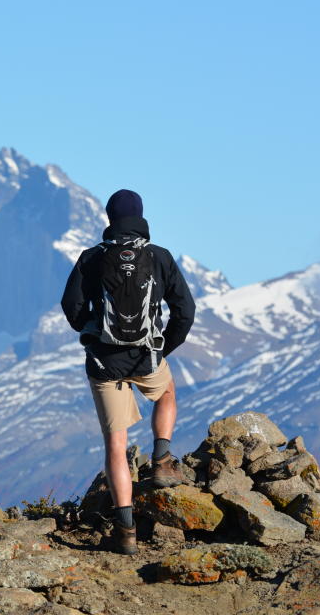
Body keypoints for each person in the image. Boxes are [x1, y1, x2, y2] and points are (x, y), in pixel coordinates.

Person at [60, 189, 196, 554]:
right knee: (166, 393)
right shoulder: (159, 257)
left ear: (109, 217)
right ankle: (163, 460)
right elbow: (185, 310)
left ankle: (125, 533)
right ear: (140, 215)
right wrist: (163, 348)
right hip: (146, 357)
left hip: (104, 362)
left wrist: (88, 330)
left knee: (116, 446)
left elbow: (71, 305)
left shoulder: (92, 258)